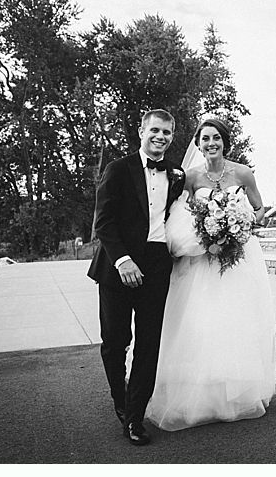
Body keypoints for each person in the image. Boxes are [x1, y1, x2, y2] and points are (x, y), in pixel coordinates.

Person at [146, 116, 276, 430]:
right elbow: (179, 215)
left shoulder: (243, 173)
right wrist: (205, 234)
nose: (211, 144)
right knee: (203, 322)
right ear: (198, 143)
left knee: (236, 320)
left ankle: (235, 391)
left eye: (216, 138)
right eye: (205, 139)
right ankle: (204, 395)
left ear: (225, 141)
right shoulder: (189, 177)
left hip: (238, 259)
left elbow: (260, 210)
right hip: (203, 262)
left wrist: (243, 220)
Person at [88, 109, 179, 446]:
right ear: (141, 131)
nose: (161, 137)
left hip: (157, 264)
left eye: (167, 133)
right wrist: (123, 260)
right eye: (155, 130)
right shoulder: (118, 169)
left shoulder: (177, 175)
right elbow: (103, 221)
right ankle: (121, 402)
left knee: (149, 343)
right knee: (115, 342)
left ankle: (135, 417)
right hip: (117, 264)